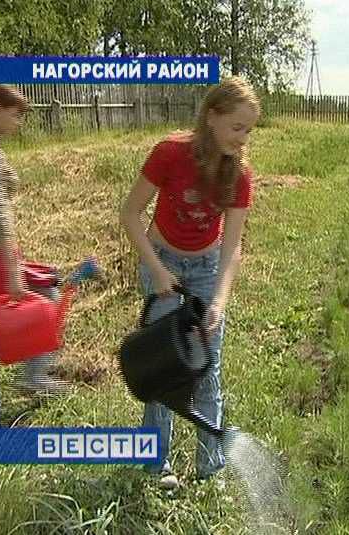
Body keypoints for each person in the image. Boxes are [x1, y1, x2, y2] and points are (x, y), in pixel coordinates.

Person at [120, 77, 260, 490]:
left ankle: (210, 468)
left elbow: (232, 248)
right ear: (212, 118)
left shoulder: (240, 176)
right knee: (165, 367)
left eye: (250, 130)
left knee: (207, 367)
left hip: (205, 269)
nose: (243, 138)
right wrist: (158, 272)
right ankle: (155, 463)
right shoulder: (170, 154)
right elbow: (129, 214)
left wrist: (217, 301)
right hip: (162, 261)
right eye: (237, 127)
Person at [0, 85, 67, 427]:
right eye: (16, 113)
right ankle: (35, 375)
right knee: (47, 296)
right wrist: (14, 272)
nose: (19, 121)